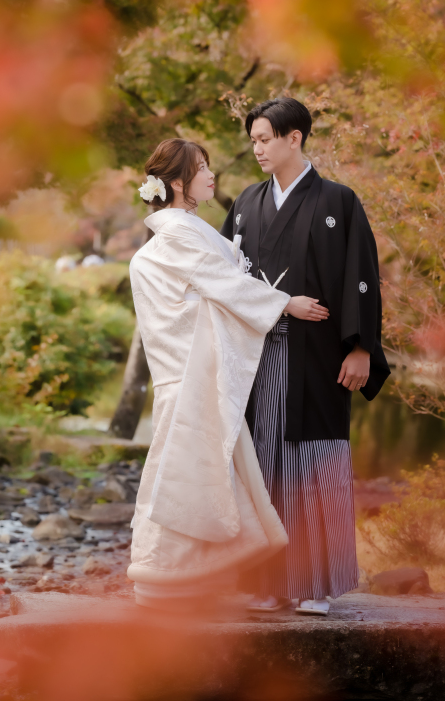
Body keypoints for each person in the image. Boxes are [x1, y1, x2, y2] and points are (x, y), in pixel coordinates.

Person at [126, 137, 331, 610]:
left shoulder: (182, 227)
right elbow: (222, 282)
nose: (211, 175)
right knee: (187, 474)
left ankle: (186, 580)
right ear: (178, 182)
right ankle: (164, 576)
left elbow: (226, 276)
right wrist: (284, 303)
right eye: (201, 168)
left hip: (191, 370)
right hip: (188, 370)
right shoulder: (177, 232)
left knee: (197, 472)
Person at [220, 98, 390, 615]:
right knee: (261, 461)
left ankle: (313, 583)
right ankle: (267, 584)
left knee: (314, 459)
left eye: (265, 139)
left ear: (295, 138)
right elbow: (227, 279)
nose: (257, 149)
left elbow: (359, 276)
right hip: (258, 354)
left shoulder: (339, 201)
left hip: (316, 357)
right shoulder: (247, 202)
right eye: (252, 141)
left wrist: (360, 347)